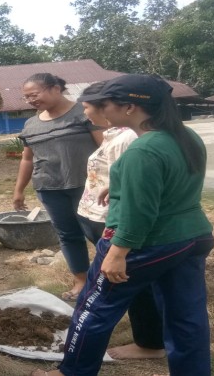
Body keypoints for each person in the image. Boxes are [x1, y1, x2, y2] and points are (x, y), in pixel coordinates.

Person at [32, 74, 214, 376]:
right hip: (192, 237)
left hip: (147, 243)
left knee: (94, 308)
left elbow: (139, 213)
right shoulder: (183, 136)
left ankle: (71, 372)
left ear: (130, 107)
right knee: (186, 316)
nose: (100, 111)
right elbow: (170, 183)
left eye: (105, 105)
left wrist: (118, 252)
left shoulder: (142, 151)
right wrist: (119, 185)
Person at [76, 82, 165, 360]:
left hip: (113, 220)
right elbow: (121, 176)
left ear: (107, 107)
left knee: (130, 283)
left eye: (88, 108)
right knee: (126, 283)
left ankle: (150, 343)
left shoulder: (131, 138)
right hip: (98, 213)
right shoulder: (113, 133)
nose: (85, 114)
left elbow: (139, 188)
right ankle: (147, 337)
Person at [12, 73, 102, 301]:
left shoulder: (84, 113)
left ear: (55, 89)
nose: (31, 100)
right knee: (68, 235)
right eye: (26, 97)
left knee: (97, 233)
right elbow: (27, 159)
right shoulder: (31, 124)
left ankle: (110, 279)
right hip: (49, 187)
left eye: (34, 94)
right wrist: (19, 189)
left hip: (86, 186)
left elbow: (105, 148)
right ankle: (81, 281)